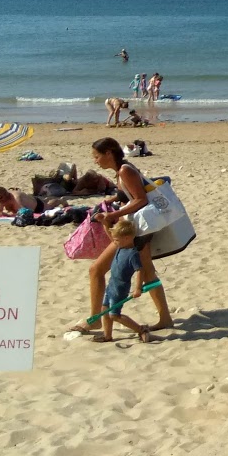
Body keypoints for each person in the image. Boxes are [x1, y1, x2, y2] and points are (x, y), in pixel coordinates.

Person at [74, 137, 173, 333]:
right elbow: (127, 195)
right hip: (138, 228)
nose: (95, 161)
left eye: (96, 156)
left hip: (137, 230)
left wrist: (112, 215)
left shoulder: (125, 170)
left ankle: (95, 318)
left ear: (109, 153)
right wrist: (109, 202)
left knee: (97, 270)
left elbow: (141, 200)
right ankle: (165, 318)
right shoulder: (121, 171)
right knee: (147, 273)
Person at [91, 219, 160, 344]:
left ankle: (141, 329)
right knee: (104, 309)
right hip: (111, 285)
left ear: (127, 238)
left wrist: (137, 288)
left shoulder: (133, 254)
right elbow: (112, 236)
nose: (114, 242)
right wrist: (105, 223)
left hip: (120, 289)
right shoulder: (120, 246)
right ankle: (107, 335)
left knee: (114, 315)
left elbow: (140, 271)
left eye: (117, 240)